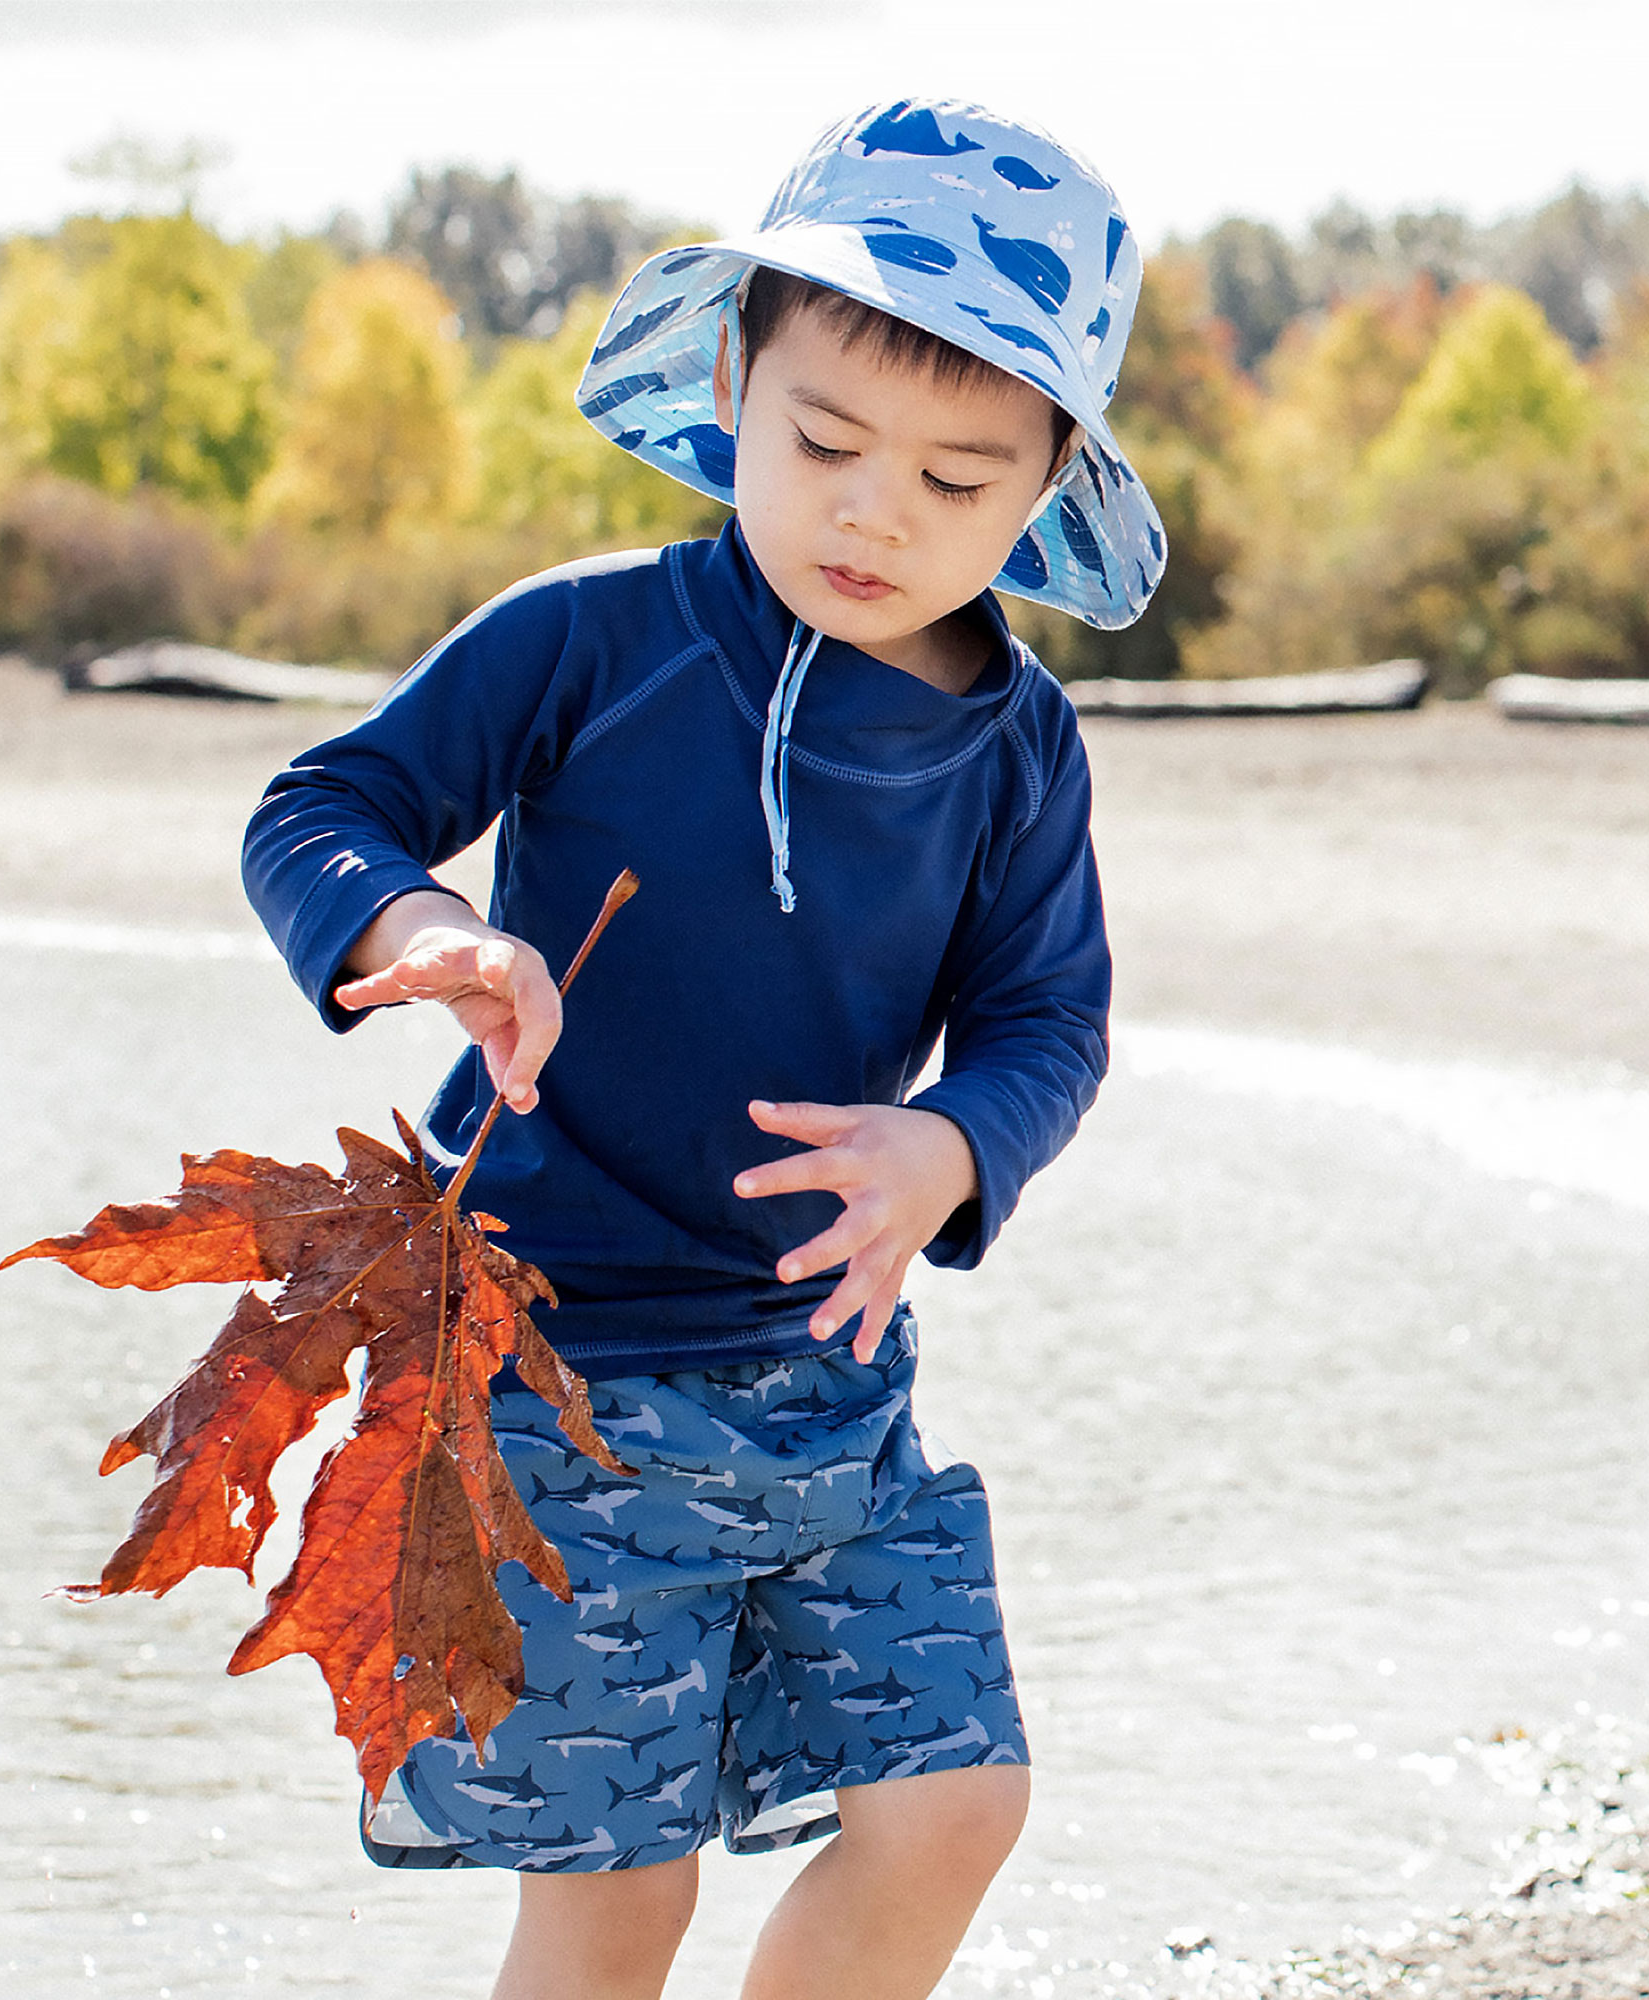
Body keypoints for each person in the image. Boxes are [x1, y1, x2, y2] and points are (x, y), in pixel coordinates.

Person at [243, 96, 1164, 2000]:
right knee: (615, 1894)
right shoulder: (590, 643)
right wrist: (428, 929)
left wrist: (956, 1148)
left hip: (834, 1381)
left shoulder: (1017, 748)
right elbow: (321, 807)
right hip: (553, 1376)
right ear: (737, 375)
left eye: (958, 479)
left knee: (955, 1804)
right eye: (825, 440)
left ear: (1047, 483)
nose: (872, 510)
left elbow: (1046, 1014)